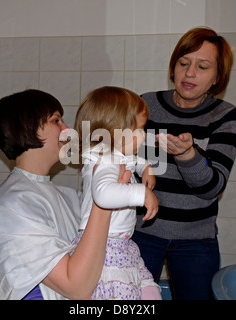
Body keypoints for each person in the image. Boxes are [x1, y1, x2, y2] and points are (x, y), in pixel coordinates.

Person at [0, 89, 129, 300]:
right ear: (27, 128)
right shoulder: (9, 207)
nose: (66, 129)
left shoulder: (64, 195)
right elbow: (76, 288)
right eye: (56, 120)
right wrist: (105, 202)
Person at [132, 27, 236, 300]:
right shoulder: (145, 105)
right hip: (142, 232)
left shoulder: (226, 115)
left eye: (203, 66)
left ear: (217, 77)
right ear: (173, 67)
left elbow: (211, 187)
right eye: (183, 63)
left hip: (196, 239)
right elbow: (126, 162)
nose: (190, 73)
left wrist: (187, 156)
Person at [72, 86, 162, 300]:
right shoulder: (105, 161)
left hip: (119, 245)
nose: (143, 135)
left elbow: (133, 161)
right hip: (105, 249)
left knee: (147, 290)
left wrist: (145, 168)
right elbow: (103, 194)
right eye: (139, 130)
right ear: (115, 132)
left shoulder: (114, 155)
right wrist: (141, 193)